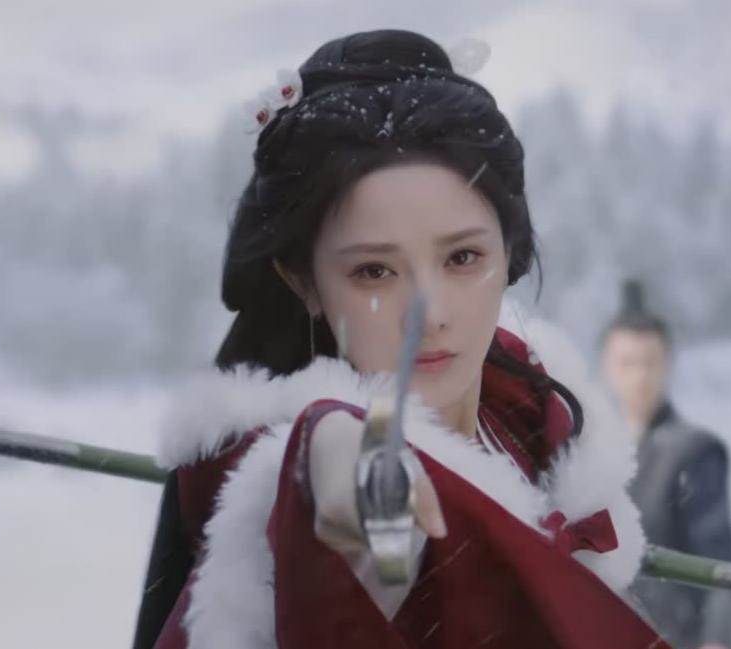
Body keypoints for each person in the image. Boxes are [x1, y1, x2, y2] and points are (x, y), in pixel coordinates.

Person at [133, 30, 668, 649]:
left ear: (509, 251)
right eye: (374, 272)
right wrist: (325, 465)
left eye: (463, 258)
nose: (429, 315)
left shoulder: (530, 411)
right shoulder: (296, 461)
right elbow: (323, 461)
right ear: (304, 281)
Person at [601, 279, 731, 649]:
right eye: (627, 363)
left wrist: (717, 641)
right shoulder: (591, 450)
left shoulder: (692, 451)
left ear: (667, 364)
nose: (639, 376)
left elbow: (725, 567)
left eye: (650, 362)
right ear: (608, 366)